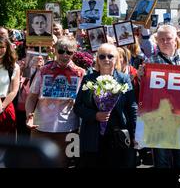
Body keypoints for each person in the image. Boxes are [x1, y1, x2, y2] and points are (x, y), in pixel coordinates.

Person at [141, 25, 180, 168]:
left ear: (175, 40)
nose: (165, 42)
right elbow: (144, 91)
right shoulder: (150, 62)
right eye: (161, 39)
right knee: (161, 161)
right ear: (157, 41)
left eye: (169, 39)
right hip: (159, 119)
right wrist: (141, 77)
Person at [74, 43, 137, 168]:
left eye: (110, 56)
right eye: (102, 56)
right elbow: (78, 107)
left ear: (117, 58)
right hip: (93, 136)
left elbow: (132, 107)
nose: (106, 59)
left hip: (117, 134)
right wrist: (95, 115)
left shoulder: (124, 78)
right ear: (97, 59)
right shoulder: (89, 79)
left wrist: (136, 134)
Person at [25, 37, 85, 167]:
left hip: (67, 126)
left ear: (74, 53)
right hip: (41, 125)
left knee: (64, 163)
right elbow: (32, 97)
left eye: (69, 52)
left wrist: (76, 101)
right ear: (55, 50)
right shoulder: (43, 70)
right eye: (61, 51)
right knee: (37, 162)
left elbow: (83, 102)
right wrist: (29, 116)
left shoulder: (80, 73)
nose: (64, 55)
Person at [0, 37, 20, 135]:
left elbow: (14, 90)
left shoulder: (14, 66)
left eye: (1, 47)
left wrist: (2, 107)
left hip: (5, 105)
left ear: (7, 48)